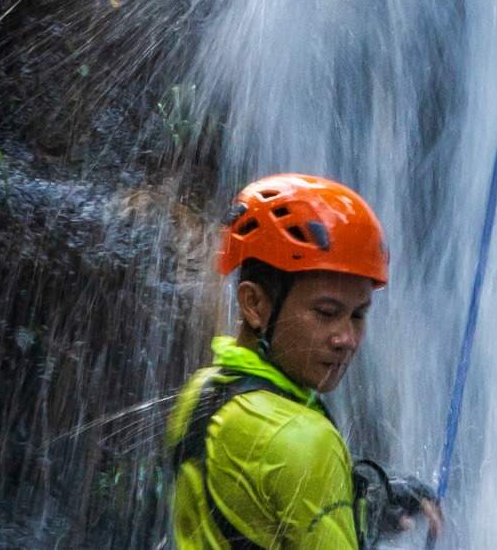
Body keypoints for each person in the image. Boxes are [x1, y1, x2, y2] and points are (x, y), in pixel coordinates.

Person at [168, 173, 441, 549]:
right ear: (255, 304)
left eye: (358, 315)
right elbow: (289, 461)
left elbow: (257, 509)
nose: (346, 339)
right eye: (326, 312)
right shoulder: (308, 440)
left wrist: (362, 502)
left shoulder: (202, 393)